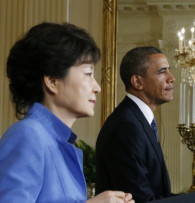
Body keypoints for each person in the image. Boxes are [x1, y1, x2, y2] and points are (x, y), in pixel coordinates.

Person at [0, 22, 134, 203]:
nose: (97, 87)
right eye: (88, 73)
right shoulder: (28, 135)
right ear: (52, 81)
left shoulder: (60, 143)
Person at [95, 46, 195, 202]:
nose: (171, 78)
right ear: (137, 81)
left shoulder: (137, 121)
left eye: (169, 70)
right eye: (162, 72)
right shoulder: (126, 127)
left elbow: (158, 197)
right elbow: (141, 199)